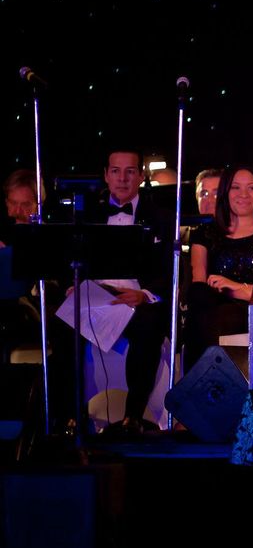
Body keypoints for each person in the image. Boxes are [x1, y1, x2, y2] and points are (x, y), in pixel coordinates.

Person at [91, 148, 173, 434]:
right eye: (115, 170)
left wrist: (145, 295)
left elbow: (170, 270)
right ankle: (67, 419)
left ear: (140, 175)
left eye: (130, 171)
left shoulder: (161, 217)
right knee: (59, 328)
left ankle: (133, 417)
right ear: (106, 175)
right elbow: (70, 259)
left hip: (138, 301)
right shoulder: (89, 214)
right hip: (95, 298)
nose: (122, 178)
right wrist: (73, 285)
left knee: (149, 327)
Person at [185, 166, 253, 371]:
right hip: (211, 307)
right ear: (226, 192)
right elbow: (198, 281)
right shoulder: (206, 233)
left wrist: (235, 287)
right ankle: (194, 385)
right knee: (200, 302)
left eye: (251, 188)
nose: (243, 194)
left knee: (220, 318)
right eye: (236, 187)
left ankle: (203, 385)